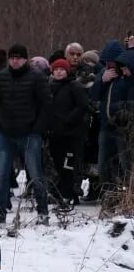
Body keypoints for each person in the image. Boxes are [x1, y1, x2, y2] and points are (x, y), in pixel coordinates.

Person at [0, 43, 51, 224]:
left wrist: (38, 128)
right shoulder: (1, 77)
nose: (15, 61)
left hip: (29, 132)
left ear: (25, 59)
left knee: (35, 173)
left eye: (18, 57)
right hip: (5, 132)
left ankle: (43, 210)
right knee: (1, 174)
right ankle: (0, 210)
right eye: (12, 57)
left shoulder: (37, 77)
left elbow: (46, 104)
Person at [91, 40, 134, 197]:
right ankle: (108, 196)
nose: (109, 65)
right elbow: (93, 96)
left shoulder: (127, 76)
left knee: (126, 164)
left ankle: (128, 196)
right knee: (103, 164)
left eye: (111, 62)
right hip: (105, 126)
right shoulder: (104, 74)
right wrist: (102, 81)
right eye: (106, 62)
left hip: (122, 127)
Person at [46, 58, 89, 206]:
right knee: (58, 164)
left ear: (67, 71)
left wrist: (68, 120)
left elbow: (82, 106)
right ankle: (62, 192)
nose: (58, 72)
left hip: (72, 134)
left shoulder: (74, 86)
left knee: (69, 165)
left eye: (61, 69)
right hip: (55, 133)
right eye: (56, 69)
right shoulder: (50, 87)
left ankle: (71, 193)